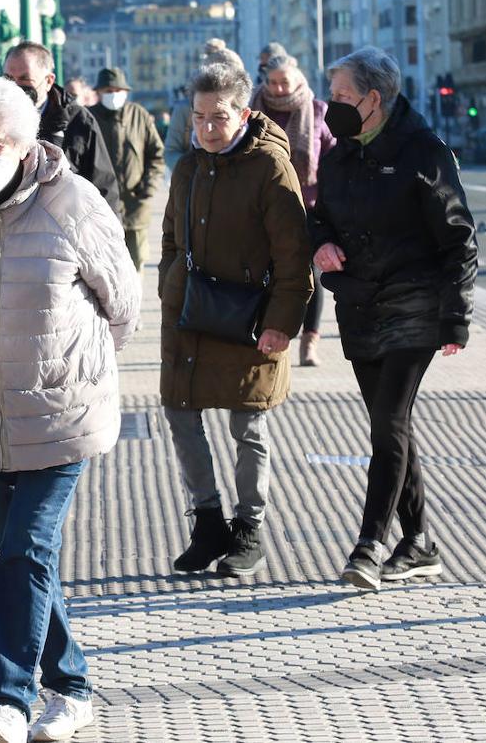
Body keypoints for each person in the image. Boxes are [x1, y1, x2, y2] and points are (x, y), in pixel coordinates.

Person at [0, 77, 142, 743]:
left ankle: (10, 702)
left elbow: (123, 301)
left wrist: (79, 367)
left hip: (61, 410)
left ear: (22, 145)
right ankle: (72, 690)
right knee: (28, 561)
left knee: (22, 553)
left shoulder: (71, 200)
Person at [309, 48, 477, 591]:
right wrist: (322, 243)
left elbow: (459, 238)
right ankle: (421, 542)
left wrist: (455, 317)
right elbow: (319, 218)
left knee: (388, 423)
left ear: (373, 100)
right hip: (360, 304)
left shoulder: (423, 152)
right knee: (391, 428)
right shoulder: (337, 156)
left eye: (338, 97)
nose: (329, 106)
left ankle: (369, 544)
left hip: (414, 303)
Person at [158, 62, 313, 578]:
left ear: (243, 113)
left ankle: (249, 529)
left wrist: (281, 323)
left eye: (217, 117)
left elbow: (294, 256)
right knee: (182, 417)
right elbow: (170, 241)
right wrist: (168, 285)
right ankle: (207, 524)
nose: (205, 128)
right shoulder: (188, 167)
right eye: (198, 117)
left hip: (250, 320)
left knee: (247, 425)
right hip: (189, 317)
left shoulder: (270, 167)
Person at [251, 54, 337, 366]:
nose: (278, 88)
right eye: (272, 82)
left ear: (298, 80)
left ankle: (309, 342)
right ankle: (272, 334)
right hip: (263, 208)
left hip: (307, 207)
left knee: (310, 276)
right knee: (270, 275)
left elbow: (332, 156)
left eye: (284, 81)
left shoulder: (316, 110)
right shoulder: (253, 110)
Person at [2, 41, 121, 215]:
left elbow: (103, 186)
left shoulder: (78, 120)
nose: (16, 87)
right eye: (9, 79)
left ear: (49, 81)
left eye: (25, 79)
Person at [88, 66, 166, 274]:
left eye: (117, 90)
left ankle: (134, 306)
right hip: (100, 207)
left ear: (125, 92)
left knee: (136, 261)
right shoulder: (89, 117)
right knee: (103, 266)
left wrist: (148, 187)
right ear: (99, 92)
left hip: (135, 206)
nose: (112, 95)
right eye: (107, 91)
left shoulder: (138, 115)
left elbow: (156, 154)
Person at [164, 39, 246, 173]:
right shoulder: (184, 109)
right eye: (200, 117)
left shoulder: (251, 107)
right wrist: (200, 171)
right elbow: (170, 152)